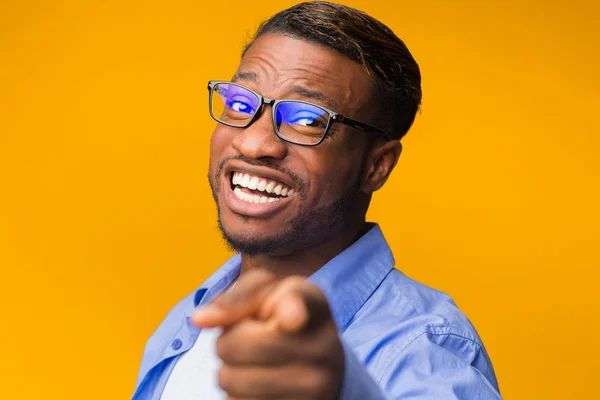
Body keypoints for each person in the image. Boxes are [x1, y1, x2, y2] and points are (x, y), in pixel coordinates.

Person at [132, 2, 502, 399]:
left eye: (308, 120)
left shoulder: (427, 350)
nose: (252, 142)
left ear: (377, 165)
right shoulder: (187, 319)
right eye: (240, 104)